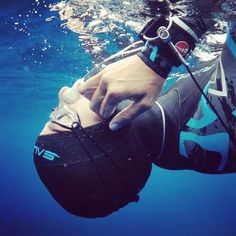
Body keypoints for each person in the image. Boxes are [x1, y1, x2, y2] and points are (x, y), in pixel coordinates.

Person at [33, 1, 236, 218]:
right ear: (107, 136)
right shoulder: (217, 131)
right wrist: (158, 59)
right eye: (62, 116)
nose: (64, 93)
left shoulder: (159, 144)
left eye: (54, 110)